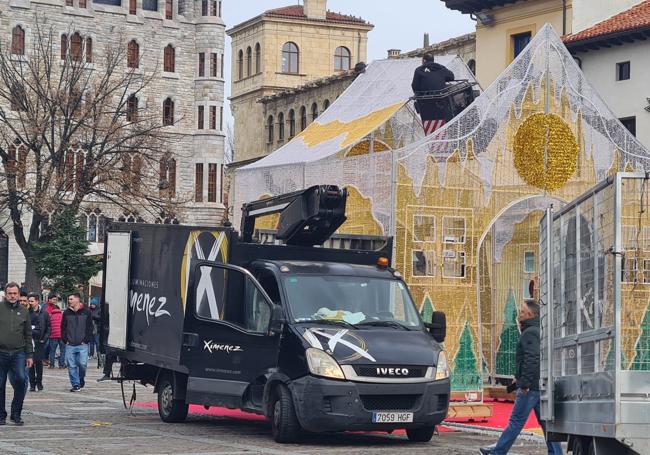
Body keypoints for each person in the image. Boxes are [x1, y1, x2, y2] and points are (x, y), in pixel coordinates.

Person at [480, 300, 562, 455]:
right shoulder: (539, 330)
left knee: (516, 422)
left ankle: (498, 452)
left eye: (522, 311)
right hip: (539, 385)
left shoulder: (530, 332)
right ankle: (556, 453)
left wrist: (523, 383)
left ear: (530, 314)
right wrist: (518, 377)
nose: (519, 314)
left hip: (530, 387)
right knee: (546, 424)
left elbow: (532, 359)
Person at [0, 283, 33, 425]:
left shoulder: (24, 311)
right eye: (10, 293)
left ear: (19, 294)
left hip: (19, 353)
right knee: (0, 384)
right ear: (5, 294)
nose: (12, 296)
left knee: (21, 380)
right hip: (1, 352)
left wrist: (30, 355)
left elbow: (28, 334)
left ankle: (16, 413)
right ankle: (1, 415)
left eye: (15, 293)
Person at [411, 53, 455, 135]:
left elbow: (415, 86)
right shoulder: (440, 67)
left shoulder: (418, 70)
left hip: (426, 106)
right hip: (443, 103)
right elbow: (452, 77)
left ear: (423, 60)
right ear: (433, 60)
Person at [61, 293, 93, 392]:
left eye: (71, 299)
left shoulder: (86, 312)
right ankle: (76, 384)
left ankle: (81, 378)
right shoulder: (66, 313)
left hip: (82, 344)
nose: (69, 301)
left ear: (77, 299)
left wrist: (86, 340)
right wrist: (65, 339)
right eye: (68, 299)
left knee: (82, 364)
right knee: (71, 366)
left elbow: (90, 327)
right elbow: (63, 327)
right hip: (70, 344)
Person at [27, 293, 50, 392]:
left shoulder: (44, 313)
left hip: (40, 341)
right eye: (29, 301)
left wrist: (44, 339)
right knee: (30, 363)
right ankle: (32, 384)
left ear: (37, 301)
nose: (30, 303)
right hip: (29, 340)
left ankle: (39, 382)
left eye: (32, 301)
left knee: (39, 363)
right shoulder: (27, 312)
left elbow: (48, 327)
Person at [47, 299, 66, 369]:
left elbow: (49, 326)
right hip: (61, 335)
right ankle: (61, 364)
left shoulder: (50, 316)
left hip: (53, 336)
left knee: (52, 351)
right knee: (63, 350)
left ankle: (52, 365)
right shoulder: (62, 315)